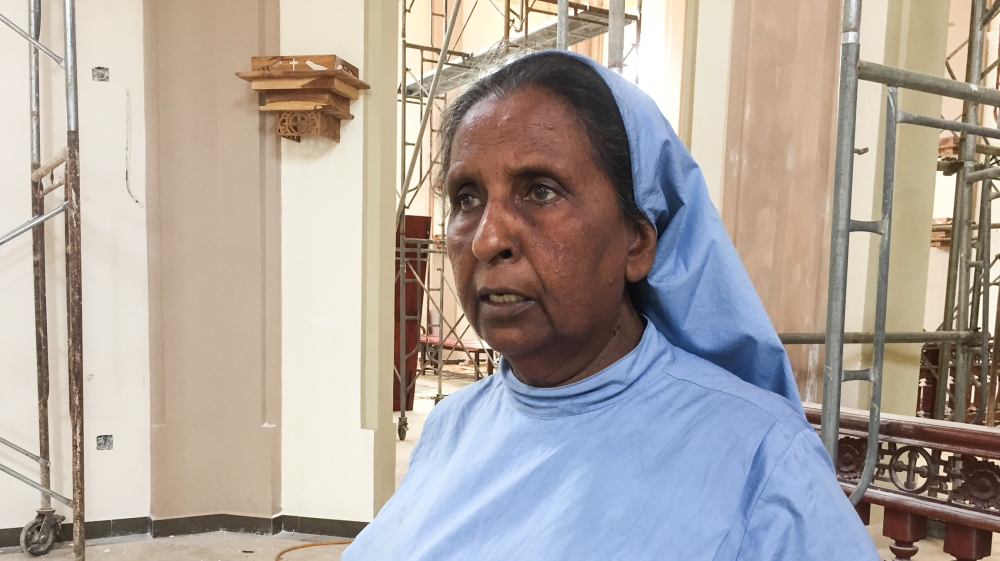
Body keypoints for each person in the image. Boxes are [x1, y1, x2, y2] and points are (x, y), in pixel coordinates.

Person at [344, 51, 879, 560]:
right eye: (467, 198)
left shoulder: (761, 458)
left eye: (541, 191)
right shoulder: (452, 424)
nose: (487, 240)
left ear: (637, 244)